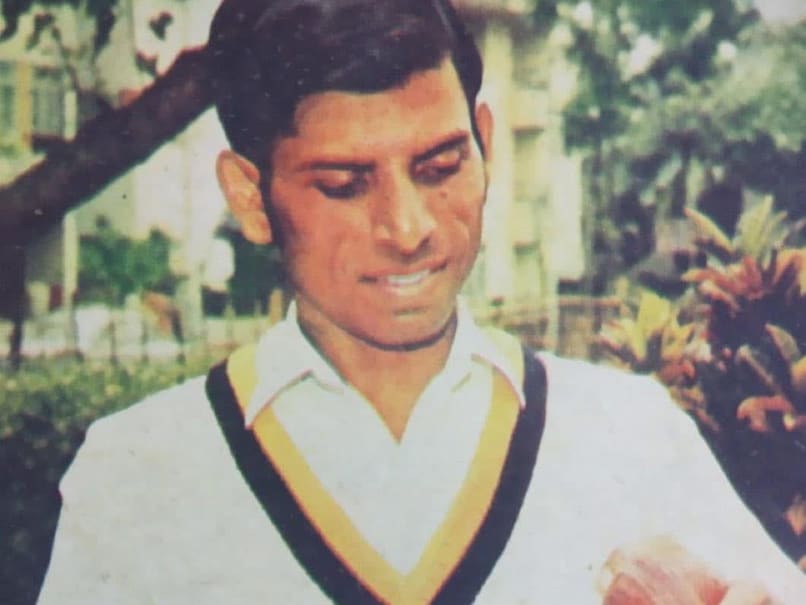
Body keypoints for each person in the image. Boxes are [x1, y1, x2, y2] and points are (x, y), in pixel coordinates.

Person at [37, 1, 806, 603]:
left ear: (485, 146)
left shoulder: (630, 437)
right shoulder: (139, 475)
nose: (407, 229)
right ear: (250, 195)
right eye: (344, 184)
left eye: (439, 167)